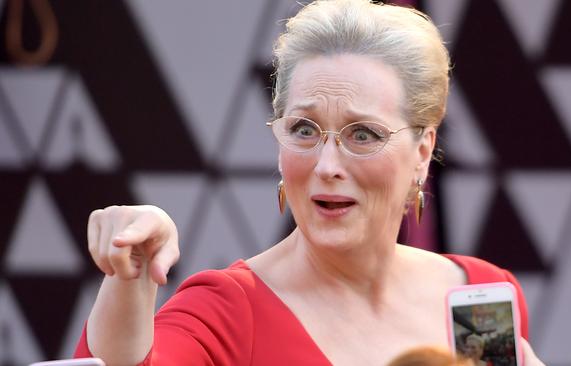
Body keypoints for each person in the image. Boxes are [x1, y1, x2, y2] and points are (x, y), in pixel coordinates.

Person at [74, 0, 545, 365]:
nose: (326, 165)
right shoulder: (228, 307)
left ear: (422, 152)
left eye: (363, 134)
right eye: (304, 130)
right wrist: (129, 279)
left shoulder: (479, 292)